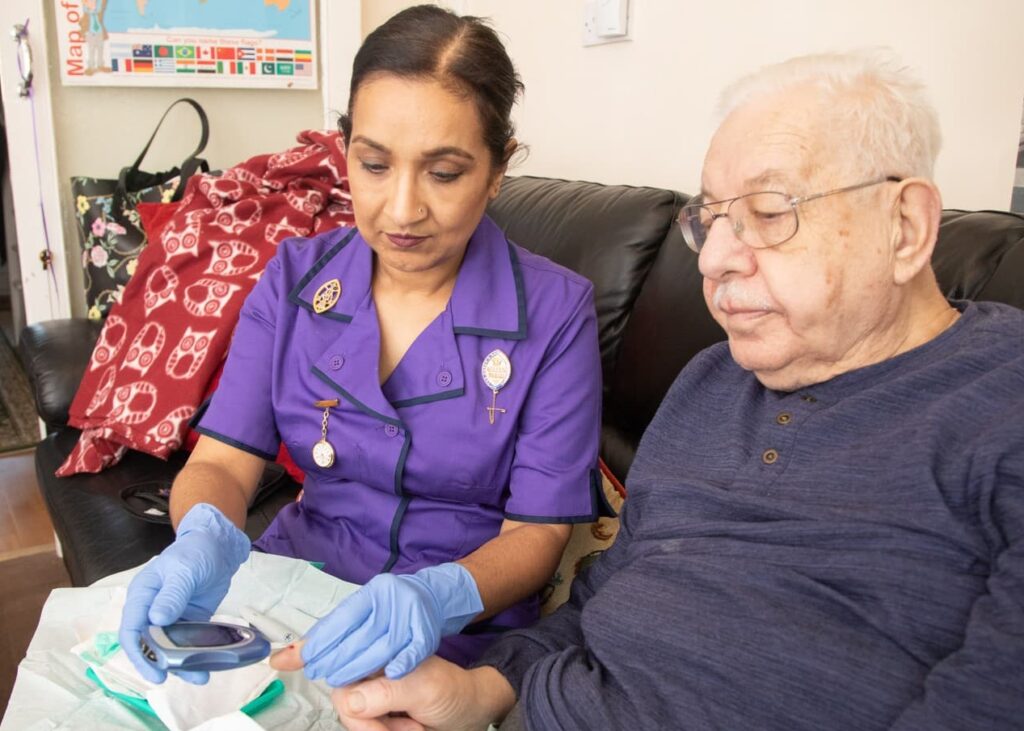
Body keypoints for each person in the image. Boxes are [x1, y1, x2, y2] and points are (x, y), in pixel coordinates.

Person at [301, 49, 1024, 730]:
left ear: (905, 227)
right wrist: (477, 691)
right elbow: (598, 595)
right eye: (709, 219)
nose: (713, 260)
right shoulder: (711, 380)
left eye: (768, 214)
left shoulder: (1002, 399)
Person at [118, 5, 609, 688]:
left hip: (453, 632)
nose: (402, 209)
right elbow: (224, 463)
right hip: (290, 591)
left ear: (499, 169)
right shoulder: (295, 281)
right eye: (374, 164)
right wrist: (203, 532)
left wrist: (438, 595)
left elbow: (538, 532)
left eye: (444, 173)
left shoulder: (556, 313)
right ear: (345, 148)